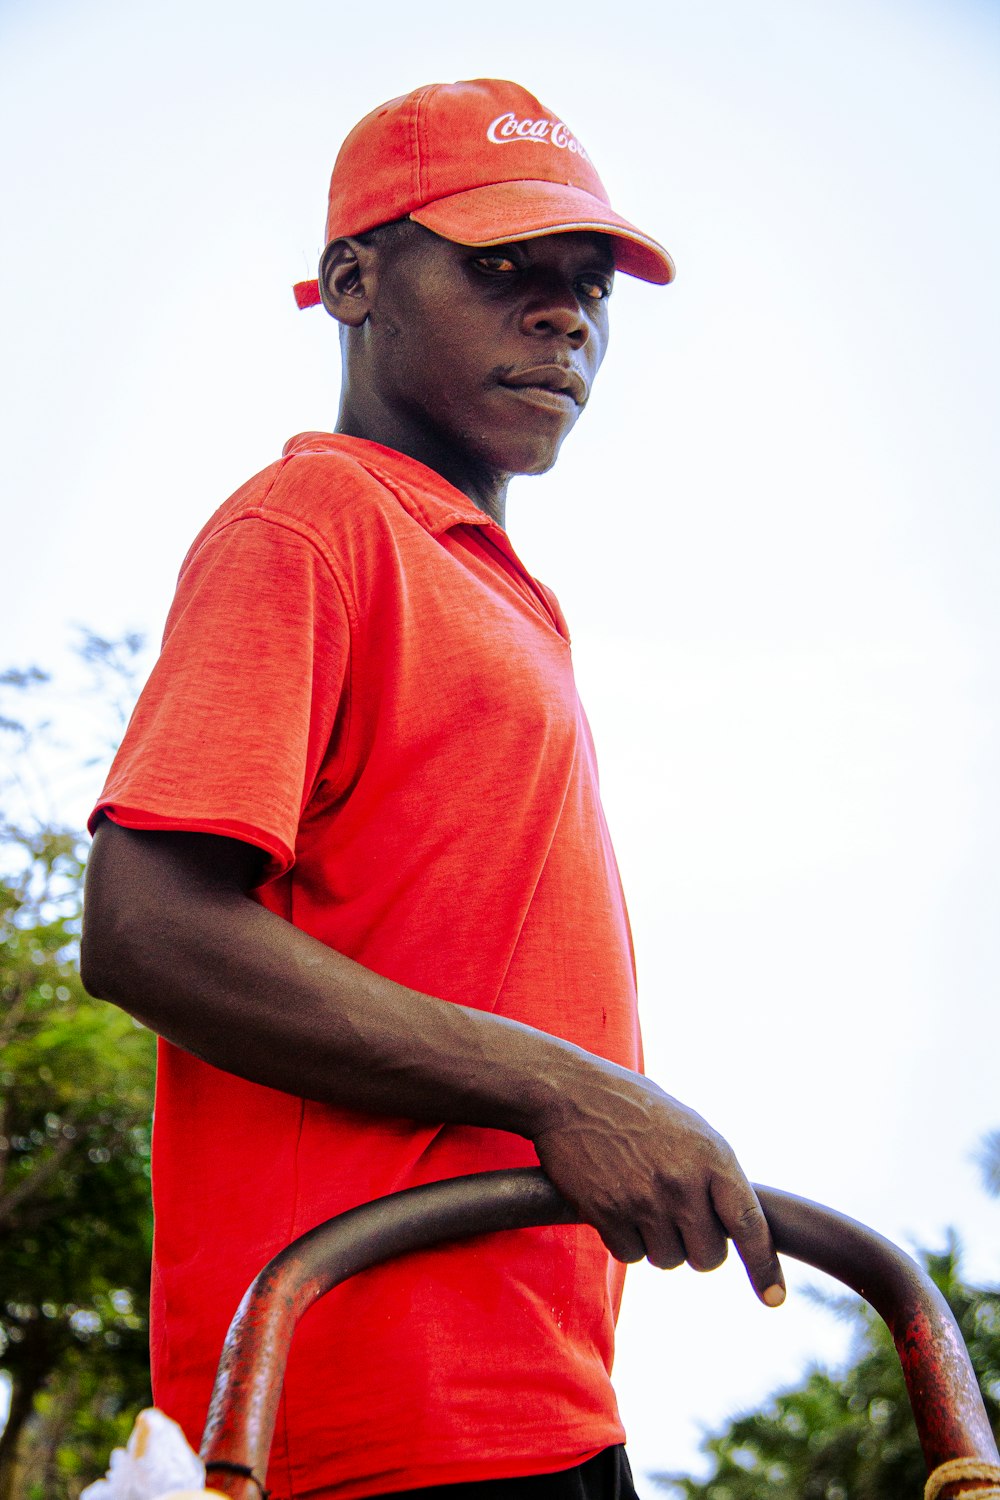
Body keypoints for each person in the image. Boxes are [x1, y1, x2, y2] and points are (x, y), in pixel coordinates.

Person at [81, 78, 784, 1500]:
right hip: (367, 1402)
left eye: (586, 286)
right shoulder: (314, 525)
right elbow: (145, 924)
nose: (564, 316)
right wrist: (563, 1090)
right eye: (501, 269)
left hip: (537, 1394)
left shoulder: (491, 584)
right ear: (354, 280)